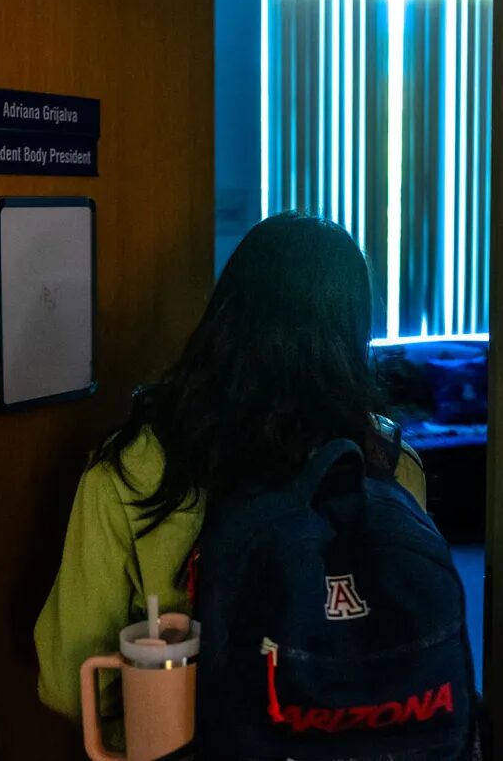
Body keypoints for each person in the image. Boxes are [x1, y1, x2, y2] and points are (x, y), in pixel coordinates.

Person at [34, 212, 427, 722]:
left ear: (224, 313)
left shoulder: (133, 469)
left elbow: (69, 684)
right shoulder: (389, 464)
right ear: (355, 329)